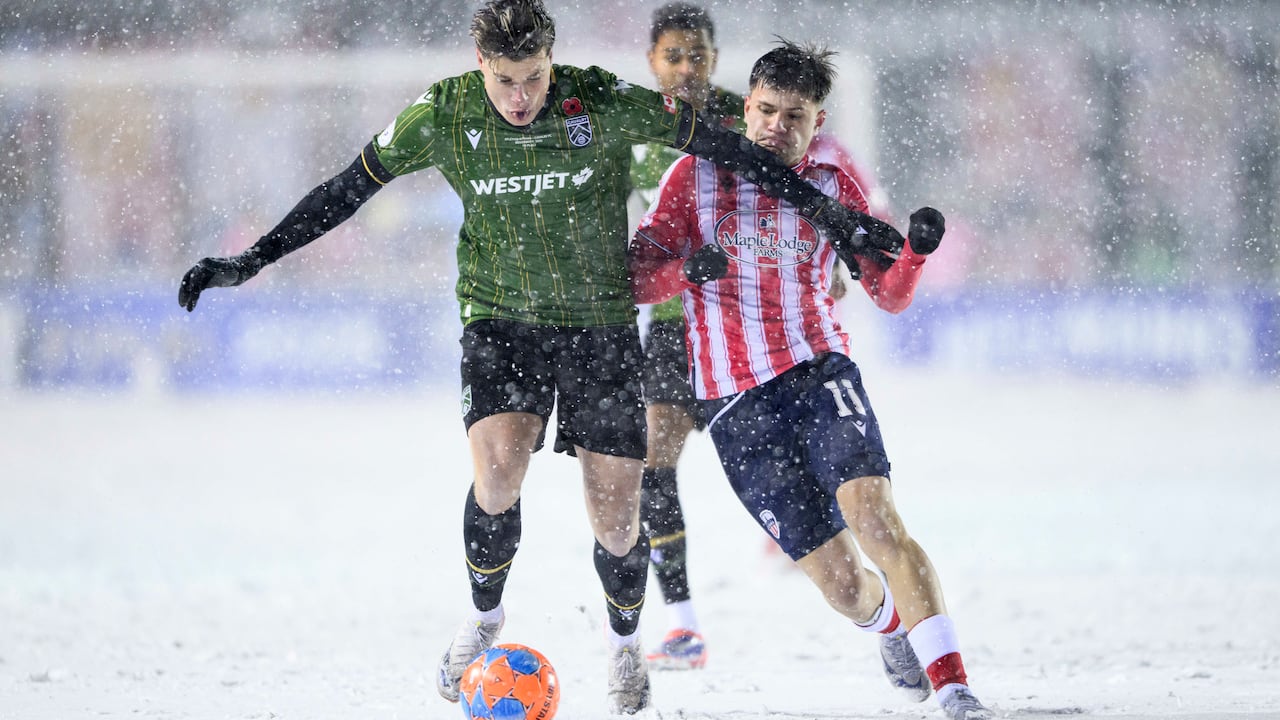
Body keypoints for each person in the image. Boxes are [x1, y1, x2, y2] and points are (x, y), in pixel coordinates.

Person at [176, 1, 899, 715]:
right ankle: (484, 620)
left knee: (615, 521)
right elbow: (345, 191)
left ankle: (624, 643)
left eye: (534, 79)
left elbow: (730, 145)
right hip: (501, 320)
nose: (521, 98)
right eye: (506, 81)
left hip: (600, 324)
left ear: (551, 61)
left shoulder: (604, 100)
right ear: (480, 64)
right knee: (496, 472)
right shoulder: (441, 114)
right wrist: (252, 259)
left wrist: (832, 216)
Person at [629, 39, 994, 720]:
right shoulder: (692, 179)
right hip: (734, 401)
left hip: (819, 370)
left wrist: (913, 253)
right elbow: (635, 276)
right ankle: (888, 628)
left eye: (793, 116)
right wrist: (685, 272)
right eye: (766, 110)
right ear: (746, 108)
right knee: (843, 585)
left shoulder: (833, 186)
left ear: (816, 123)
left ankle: (954, 691)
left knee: (877, 521)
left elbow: (886, 294)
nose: (777, 126)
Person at [628, 1, 744, 672]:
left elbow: (790, 188)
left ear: (714, 60)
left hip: (745, 318)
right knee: (654, 461)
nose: (686, 67)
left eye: (697, 54)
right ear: (653, 61)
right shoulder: (636, 126)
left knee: (774, 458)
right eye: (674, 55)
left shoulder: (746, 119)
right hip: (674, 322)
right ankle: (683, 625)